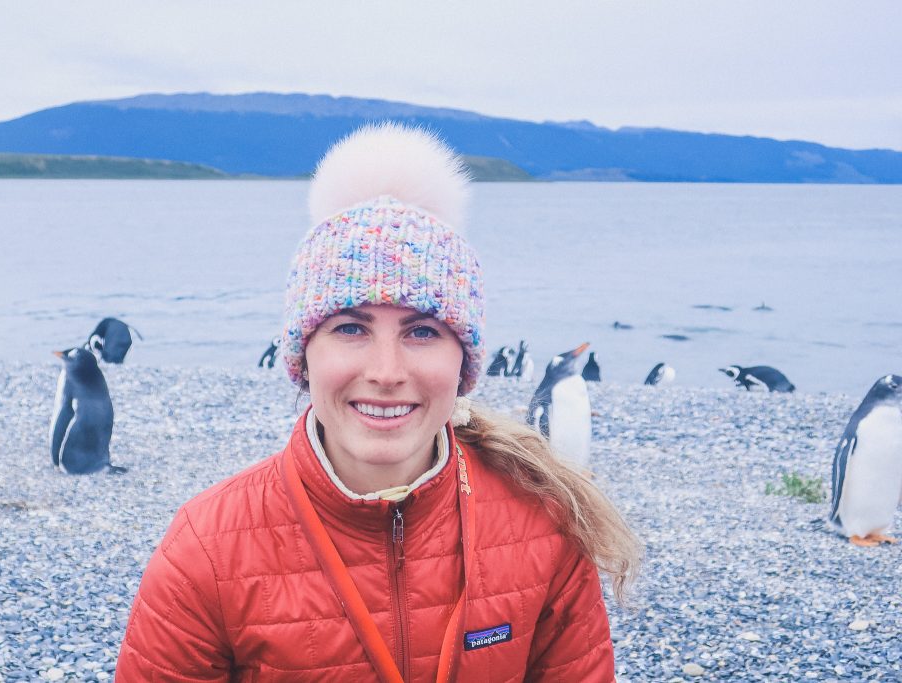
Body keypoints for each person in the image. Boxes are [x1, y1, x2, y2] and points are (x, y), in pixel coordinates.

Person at [116, 124, 641, 681]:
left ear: (463, 362)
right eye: (349, 328)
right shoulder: (208, 548)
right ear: (302, 356)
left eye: (421, 332)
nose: (386, 373)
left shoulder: (544, 522)